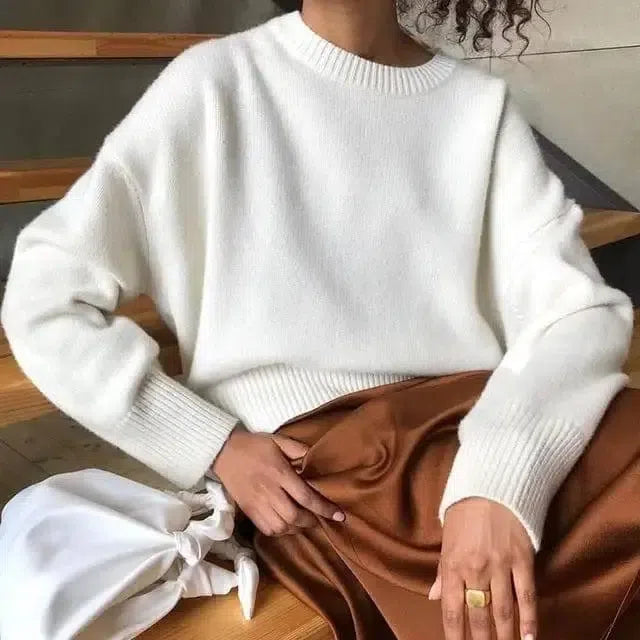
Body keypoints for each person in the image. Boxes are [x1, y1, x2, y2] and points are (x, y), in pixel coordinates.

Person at [0, 2, 633, 639]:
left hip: (466, 428)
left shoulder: (479, 108)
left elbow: (579, 312)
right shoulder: (215, 85)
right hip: (323, 470)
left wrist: (498, 480)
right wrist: (214, 444)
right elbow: (44, 296)